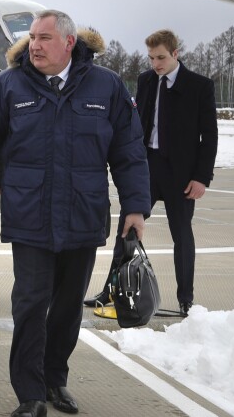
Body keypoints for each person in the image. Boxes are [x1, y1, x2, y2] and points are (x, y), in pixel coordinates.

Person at [0, 10, 150, 417]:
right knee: (30, 303)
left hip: (83, 213)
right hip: (30, 215)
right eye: (31, 37)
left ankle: (54, 379)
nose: (35, 45)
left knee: (67, 307)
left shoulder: (107, 86)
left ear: (68, 43)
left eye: (44, 37)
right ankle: (29, 393)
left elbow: (129, 150)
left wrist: (136, 206)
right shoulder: (9, 86)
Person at [84, 29, 217, 317]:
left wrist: (201, 178)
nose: (156, 63)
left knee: (182, 234)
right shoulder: (146, 81)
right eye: (151, 58)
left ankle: (186, 300)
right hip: (147, 167)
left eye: (161, 57)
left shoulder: (199, 86)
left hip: (181, 174)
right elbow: (134, 126)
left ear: (175, 54)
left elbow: (210, 136)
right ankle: (111, 291)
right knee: (127, 231)